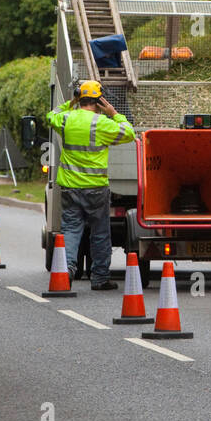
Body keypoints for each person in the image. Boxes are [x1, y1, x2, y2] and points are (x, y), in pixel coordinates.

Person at [46, 80, 136, 290]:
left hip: (70, 187)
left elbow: (51, 115)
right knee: (100, 233)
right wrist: (114, 113)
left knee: (70, 230)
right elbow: (129, 132)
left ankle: (66, 271)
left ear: (79, 98)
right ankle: (100, 278)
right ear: (99, 101)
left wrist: (70, 103)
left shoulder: (67, 119)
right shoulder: (102, 124)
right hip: (96, 189)